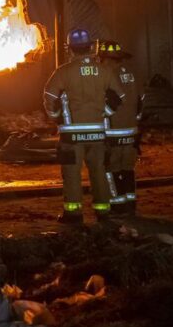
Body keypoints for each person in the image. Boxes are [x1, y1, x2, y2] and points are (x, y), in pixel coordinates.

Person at [42, 28, 125, 224]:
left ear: (70, 49)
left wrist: (56, 116)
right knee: (99, 171)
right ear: (90, 47)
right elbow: (119, 96)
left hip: (72, 135)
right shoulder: (104, 71)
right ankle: (103, 212)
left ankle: (74, 214)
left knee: (72, 174)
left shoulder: (63, 72)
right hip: (97, 133)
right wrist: (104, 112)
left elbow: (50, 96)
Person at [97, 39, 144, 216]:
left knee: (111, 169)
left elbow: (112, 102)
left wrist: (100, 116)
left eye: (101, 59)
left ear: (107, 59)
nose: (100, 63)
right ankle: (130, 204)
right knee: (128, 169)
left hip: (112, 133)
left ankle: (117, 205)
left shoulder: (108, 76)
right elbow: (140, 101)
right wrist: (134, 121)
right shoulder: (132, 73)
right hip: (132, 132)